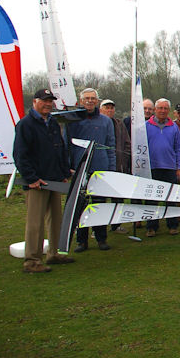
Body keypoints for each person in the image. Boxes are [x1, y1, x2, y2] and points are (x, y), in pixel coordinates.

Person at [13, 88, 74, 273]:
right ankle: (32, 261)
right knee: (35, 223)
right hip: (37, 182)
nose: (48, 104)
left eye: (50, 101)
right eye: (44, 101)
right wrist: (31, 178)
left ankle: (53, 254)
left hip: (54, 179)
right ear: (35, 102)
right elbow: (20, 154)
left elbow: (60, 149)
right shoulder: (25, 124)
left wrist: (64, 172)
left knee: (56, 219)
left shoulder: (53, 123)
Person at [66, 88, 116, 252]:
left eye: (93, 98)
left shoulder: (105, 121)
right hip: (80, 169)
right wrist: (69, 166)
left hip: (100, 168)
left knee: (99, 204)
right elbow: (68, 145)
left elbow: (111, 145)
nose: (89, 101)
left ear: (97, 101)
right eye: (86, 98)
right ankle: (82, 240)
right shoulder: (73, 121)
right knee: (80, 205)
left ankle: (101, 238)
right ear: (81, 101)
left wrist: (111, 168)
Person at [145, 98, 180, 236]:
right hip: (152, 168)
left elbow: (179, 148)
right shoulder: (146, 126)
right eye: (160, 108)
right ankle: (151, 226)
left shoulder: (173, 127)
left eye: (165, 108)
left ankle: (172, 225)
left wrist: (179, 167)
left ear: (169, 111)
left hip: (169, 168)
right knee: (151, 199)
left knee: (170, 198)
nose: (162, 111)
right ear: (155, 110)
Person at [100, 98, 131, 234]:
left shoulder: (119, 124)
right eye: (107, 107)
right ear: (101, 109)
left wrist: (126, 158)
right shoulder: (98, 124)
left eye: (111, 108)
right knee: (100, 199)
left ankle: (116, 224)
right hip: (101, 167)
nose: (110, 110)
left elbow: (127, 142)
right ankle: (98, 227)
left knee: (117, 198)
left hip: (118, 166)